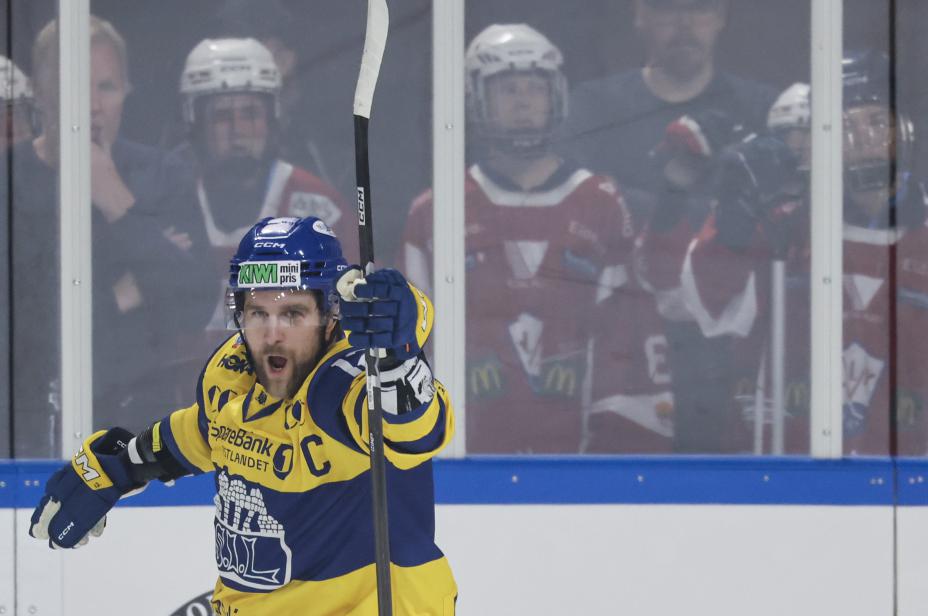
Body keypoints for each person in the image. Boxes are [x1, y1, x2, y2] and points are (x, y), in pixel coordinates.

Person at [28, 216, 458, 614]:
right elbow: (206, 433)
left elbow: (413, 430)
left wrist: (398, 361)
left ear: (330, 314)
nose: (272, 334)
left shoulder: (346, 383)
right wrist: (122, 465)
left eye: (293, 313)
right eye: (258, 312)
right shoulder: (233, 370)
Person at [403, 24, 658, 453]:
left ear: (556, 96)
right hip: (465, 458)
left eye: (535, 88)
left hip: (577, 460)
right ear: (475, 99)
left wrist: (614, 457)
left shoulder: (602, 203)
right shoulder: (436, 208)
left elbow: (625, 339)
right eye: (507, 89)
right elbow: (413, 345)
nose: (523, 102)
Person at [681, 50, 928, 455]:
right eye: (846, 125)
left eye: (877, 123)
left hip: (905, 476)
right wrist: (733, 219)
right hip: (787, 469)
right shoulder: (785, 224)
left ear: (904, 130)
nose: (864, 138)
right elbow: (705, 306)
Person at [10, 16, 210, 456]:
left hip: (141, 422)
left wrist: (116, 200)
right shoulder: (10, 180)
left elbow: (194, 301)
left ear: (126, 92)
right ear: (40, 95)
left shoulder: (162, 175)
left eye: (106, 87)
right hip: (26, 426)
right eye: (72, 87)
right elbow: (21, 326)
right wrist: (120, 296)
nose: (92, 106)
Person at [176, 37, 356, 349]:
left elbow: (356, 323)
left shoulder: (320, 211)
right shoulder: (172, 203)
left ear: (273, 118)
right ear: (196, 122)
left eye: (251, 114)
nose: (238, 130)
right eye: (222, 116)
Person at [564, 0, 776, 222]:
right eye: (667, 7)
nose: (684, 23)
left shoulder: (762, 110)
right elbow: (576, 205)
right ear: (639, 14)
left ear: (721, 16)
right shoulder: (593, 107)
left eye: (699, 7)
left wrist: (626, 199)